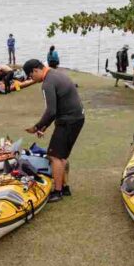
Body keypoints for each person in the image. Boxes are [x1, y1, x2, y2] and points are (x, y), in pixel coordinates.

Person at [22, 59, 84, 203]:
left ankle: (57, 192)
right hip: (77, 118)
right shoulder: (56, 74)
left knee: (54, 156)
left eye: (31, 76)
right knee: (61, 156)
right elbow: (55, 110)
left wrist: (37, 127)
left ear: (35, 70)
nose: (32, 80)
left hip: (68, 120)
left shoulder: (47, 83)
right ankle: (64, 187)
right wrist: (45, 127)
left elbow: (51, 110)